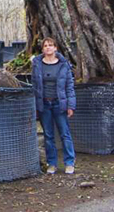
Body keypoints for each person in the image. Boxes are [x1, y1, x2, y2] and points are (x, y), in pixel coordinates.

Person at [31, 37, 76, 175]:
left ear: (56, 48)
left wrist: (70, 105)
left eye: (51, 45)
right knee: (48, 135)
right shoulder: (37, 64)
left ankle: (69, 162)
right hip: (44, 104)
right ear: (43, 49)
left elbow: (69, 86)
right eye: (45, 46)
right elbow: (34, 86)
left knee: (65, 134)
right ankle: (52, 163)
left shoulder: (63, 64)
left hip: (59, 103)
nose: (48, 48)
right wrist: (35, 106)